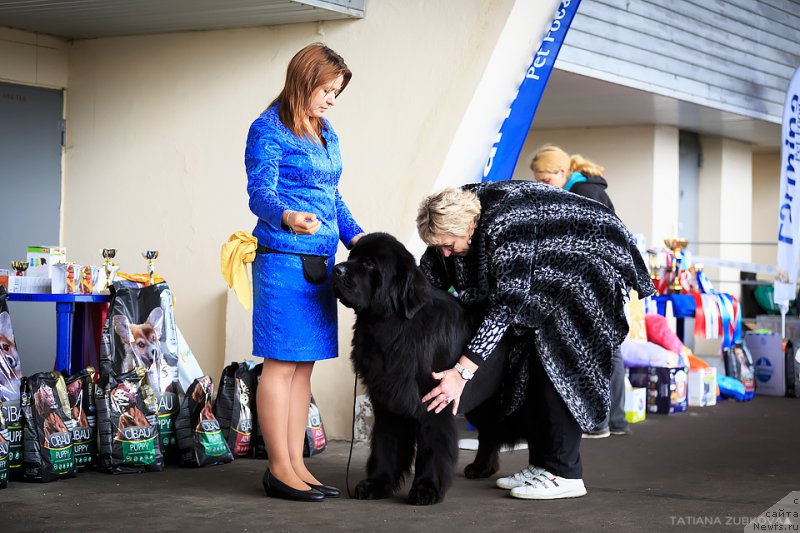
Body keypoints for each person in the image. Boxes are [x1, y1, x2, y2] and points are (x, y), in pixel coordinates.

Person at [416, 180, 653, 500]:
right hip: (546, 272)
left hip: (582, 271)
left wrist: (461, 373)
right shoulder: (453, 219)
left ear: (470, 227)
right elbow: (426, 282)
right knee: (528, 368)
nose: (444, 252)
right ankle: (544, 463)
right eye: (437, 245)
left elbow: (505, 307)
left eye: (448, 245)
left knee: (560, 364)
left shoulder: (507, 227)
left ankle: (566, 473)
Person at [244, 43, 364, 502]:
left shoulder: (326, 131)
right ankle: (279, 469)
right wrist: (288, 216)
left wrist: (359, 238)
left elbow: (333, 195)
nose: (333, 99)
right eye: (327, 89)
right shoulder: (267, 129)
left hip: (321, 265)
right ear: (303, 81)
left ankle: (297, 465)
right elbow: (260, 194)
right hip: (283, 261)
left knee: (303, 369)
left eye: (337, 92)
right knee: (279, 366)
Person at [530, 144, 627, 439]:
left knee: (596, 350)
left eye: (545, 181)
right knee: (608, 348)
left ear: (562, 173)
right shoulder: (587, 190)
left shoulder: (585, 194)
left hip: (594, 282)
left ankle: (598, 422)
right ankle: (614, 420)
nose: (542, 187)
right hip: (603, 279)